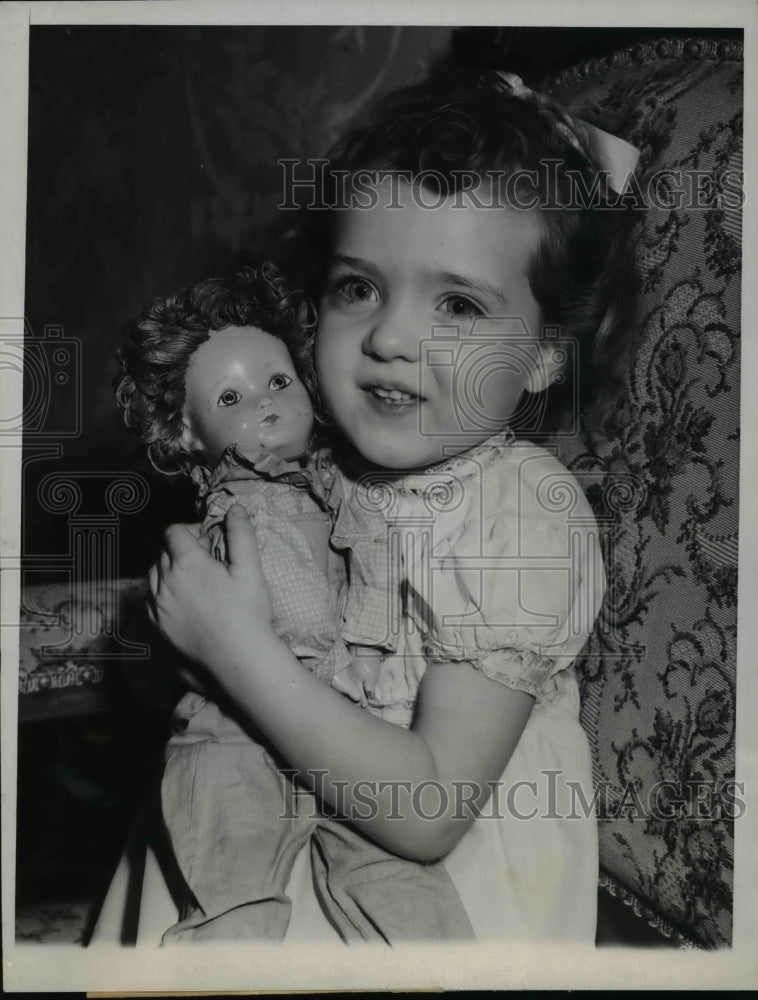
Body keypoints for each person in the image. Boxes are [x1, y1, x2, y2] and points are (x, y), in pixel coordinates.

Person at [93, 63, 639, 945]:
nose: (388, 337)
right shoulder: (305, 469)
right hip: (256, 825)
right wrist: (181, 633)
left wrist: (234, 649)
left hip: (431, 880)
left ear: (545, 355)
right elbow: (170, 690)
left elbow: (427, 812)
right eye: (359, 287)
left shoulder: (522, 517)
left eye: (458, 304)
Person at [113, 261, 474, 942]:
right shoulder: (198, 535)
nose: (265, 404)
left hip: (342, 711)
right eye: (230, 400)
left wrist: (368, 649)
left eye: (278, 382)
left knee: (400, 886)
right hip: (228, 730)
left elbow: (376, 568)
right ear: (187, 434)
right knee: (228, 875)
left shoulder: (349, 494)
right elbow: (156, 652)